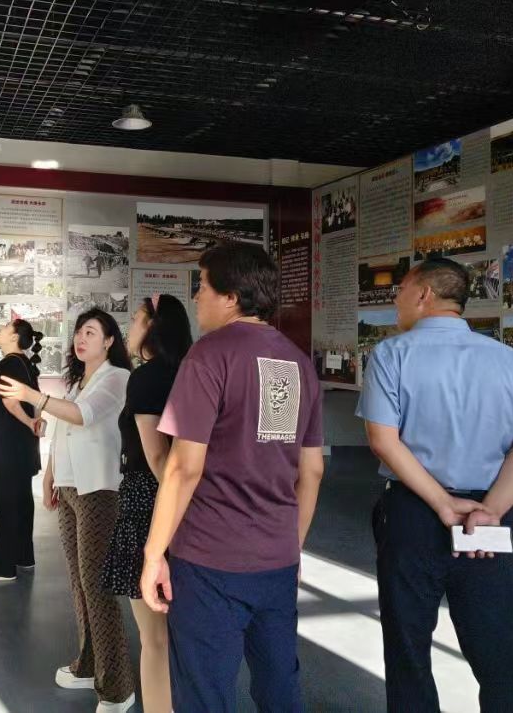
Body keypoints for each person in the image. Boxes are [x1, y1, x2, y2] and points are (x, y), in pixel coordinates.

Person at [356, 258, 513, 712]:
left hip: (413, 512)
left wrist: (443, 503)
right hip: (486, 522)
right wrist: (491, 510)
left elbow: (383, 441)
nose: (396, 299)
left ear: (424, 294)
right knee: (497, 647)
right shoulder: (512, 362)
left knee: (408, 648)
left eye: (402, 289)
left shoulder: (391, 354)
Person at [139, 242, 325, 713]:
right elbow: (312, 470)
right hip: (277, 559)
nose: (196, 297)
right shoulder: (299, 363)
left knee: (205, 691)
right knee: (280, 687)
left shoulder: (209, 355)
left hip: (209, 560)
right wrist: (292, 546)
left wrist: (154, 553)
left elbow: (183, 467)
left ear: (231, 296)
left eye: (202, 285)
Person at [0, 309, 135, 713]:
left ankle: (118, 688)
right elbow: (60, 430)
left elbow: (82, 415)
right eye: (79, 332)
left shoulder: (117, 378)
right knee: (79, 584)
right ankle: (89, 665)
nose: (81, 338)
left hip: (99, 490)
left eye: (91, 332)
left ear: (109, 341)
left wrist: (33, 397)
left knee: (98, 588)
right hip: (71, 488)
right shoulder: (77, 381)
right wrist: (50, 477)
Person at [102, 294, 192, 713]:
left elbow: (157, 456)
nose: (131, 327)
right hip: (188, 496)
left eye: (137, 319)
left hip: (148, 502)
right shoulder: (190, 371)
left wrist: (175, 509)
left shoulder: (147, 378)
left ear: (153, 327)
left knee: (154, 637)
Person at [0, 320, 44, 582]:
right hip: (20, 447)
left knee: (5, 503)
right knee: (21, 501)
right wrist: (34, 422)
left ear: (14, 337)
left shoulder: (9, 363)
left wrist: (29, 422)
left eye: (5, 327)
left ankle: (1, 566)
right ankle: (23, 557)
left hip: (6, 448)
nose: (0, 330)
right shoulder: (24, 363)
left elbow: (10, 401)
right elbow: (35, 401)